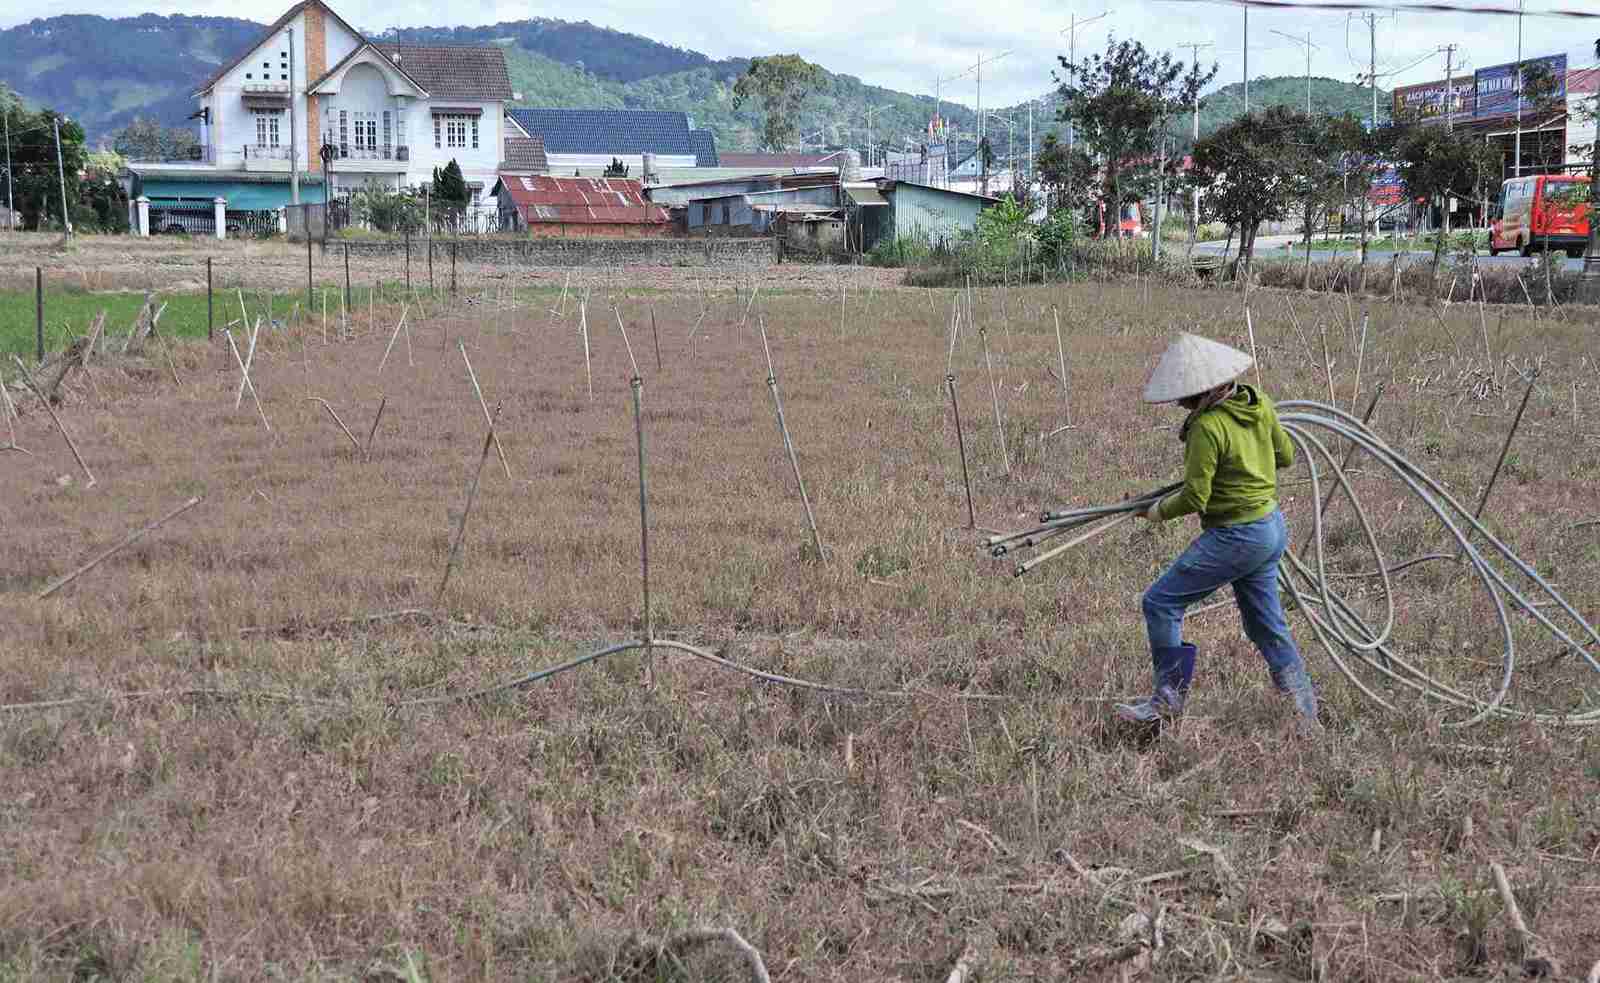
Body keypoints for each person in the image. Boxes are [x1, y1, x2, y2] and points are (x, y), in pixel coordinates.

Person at [1114, 332, 1320, 731]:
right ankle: (1305, 713)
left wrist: (1154, 512)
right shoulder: (1258, 403)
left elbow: (1195, 496)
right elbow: (1286, 456)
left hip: (1237, 535)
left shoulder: (1207, 428)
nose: (1178, 402)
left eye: (1183, 395)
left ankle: (1167, 702)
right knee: (1265, 624)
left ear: (1200, 391)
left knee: (1160, 603)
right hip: (1270, 528)